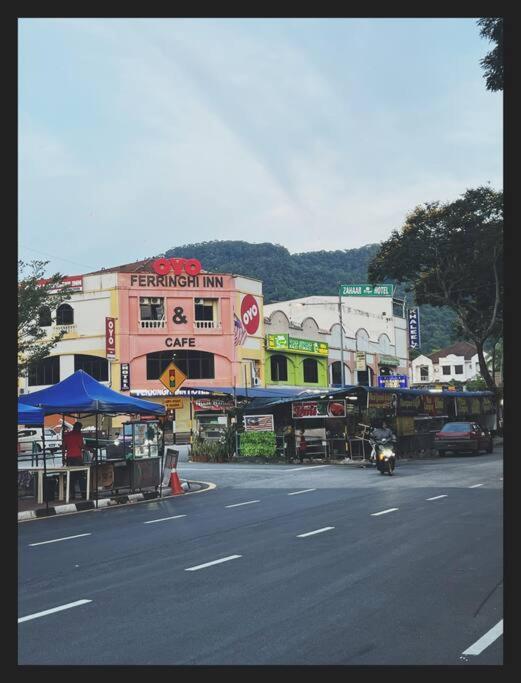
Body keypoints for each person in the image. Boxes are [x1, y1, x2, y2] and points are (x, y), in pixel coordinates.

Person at [63, 422, 86, 499]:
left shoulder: (67, 435)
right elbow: (81, 446)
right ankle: (83, 494)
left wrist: (63, 458)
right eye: (80, 428)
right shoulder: (79, 435)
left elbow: (64, 447)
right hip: (77, 458)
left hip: (69, 458)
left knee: (71, 477)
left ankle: (72, 495)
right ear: (78, 428)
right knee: (81, 477)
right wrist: (90, 449)